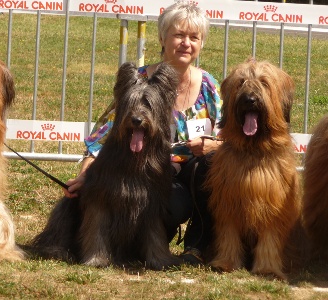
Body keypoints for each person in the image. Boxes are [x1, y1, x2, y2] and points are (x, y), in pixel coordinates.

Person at [63, 1, 223, 265]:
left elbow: (225, 136)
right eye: (178, 35)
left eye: (194, 37)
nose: (186, 43)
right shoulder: (139, 81)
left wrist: (212, 147)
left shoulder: (208, 85)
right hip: (151, 174)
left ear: (201, 43)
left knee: (209, 164)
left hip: (194, 171)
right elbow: (104, 135)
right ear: (162, 37)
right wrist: (86, 175)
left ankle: (197, 247)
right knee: (171, 203)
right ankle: (143, 246)